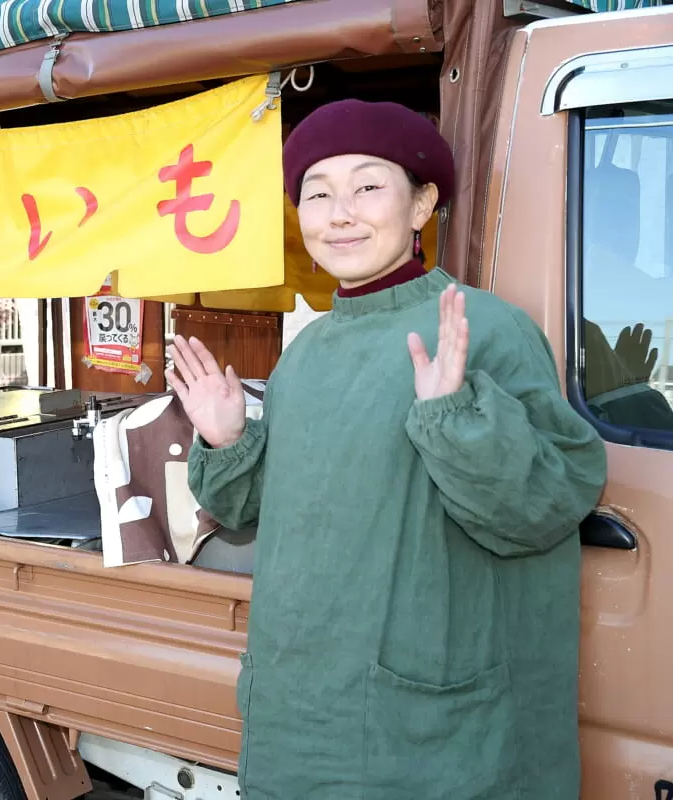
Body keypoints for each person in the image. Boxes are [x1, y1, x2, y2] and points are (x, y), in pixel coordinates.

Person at [167, 99, 608, 799]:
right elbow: (253, 515)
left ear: (421, 204)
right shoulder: (307, 352)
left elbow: (546, 507)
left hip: (430, 738)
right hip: (297, 719)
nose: (339, 214)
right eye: (318, 194)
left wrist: (454, 416)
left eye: (368, 187)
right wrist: (228, 439)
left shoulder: (485, 328)